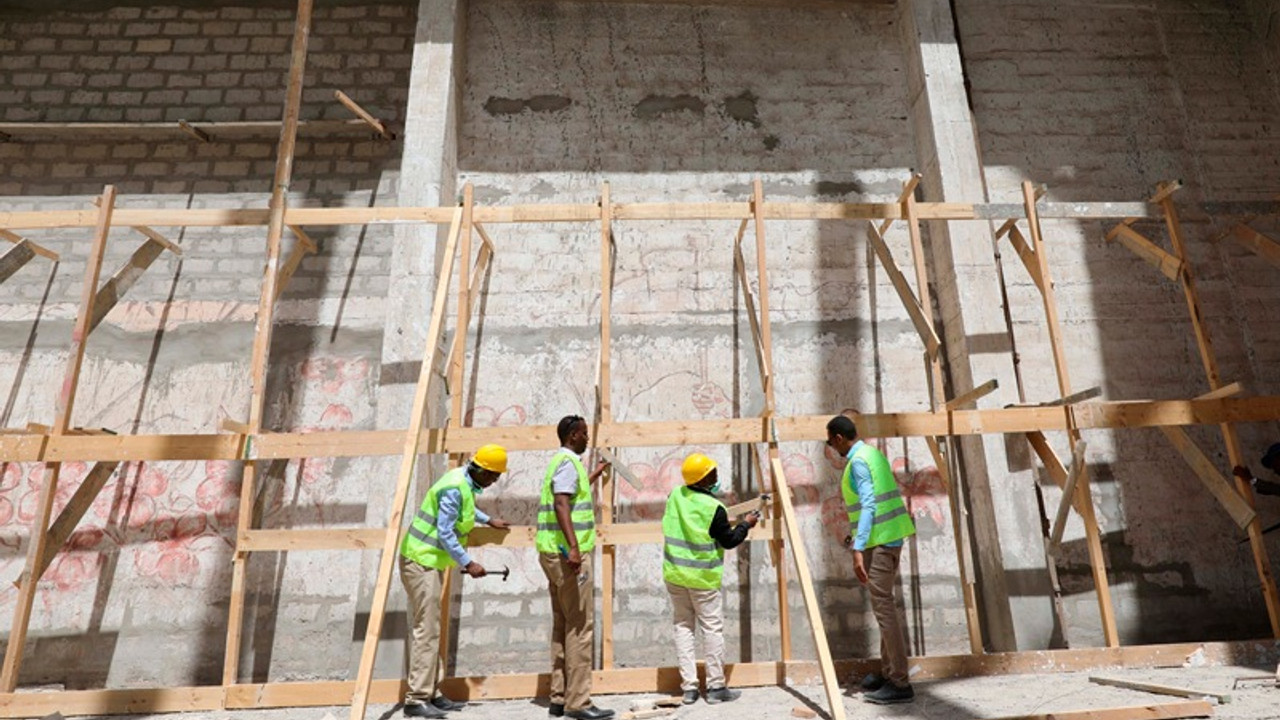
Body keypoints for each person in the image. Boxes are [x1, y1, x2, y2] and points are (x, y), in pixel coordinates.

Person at [399, 444, 511, 718]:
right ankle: (416, 699)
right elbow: (446, 531)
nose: (495, 481)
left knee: (431, 628)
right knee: (426, 630)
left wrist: (488, 520)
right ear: (481, 470)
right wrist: (468, 563)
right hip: (420, 561)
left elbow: (466, 507)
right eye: (493, 476)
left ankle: (431, 692)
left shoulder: (464, 482)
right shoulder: (454, 486)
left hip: (428, 562)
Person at [826, 415, 916, 705]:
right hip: (888, 538)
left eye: (830, 441)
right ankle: (889, 672)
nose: (831, 446)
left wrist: (857, 550)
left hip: (880, 543)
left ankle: (900, 682)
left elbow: (868, 505)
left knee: (884, 611)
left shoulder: (859, 462)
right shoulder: (871, 453)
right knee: (884, 607)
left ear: (839, 438)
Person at [662, 453, 758, 705]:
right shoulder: (714, 508)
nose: (716, 477)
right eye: (712, 474)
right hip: (702, 579)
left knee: (683, 628)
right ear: (702, 479)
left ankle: (690, 689)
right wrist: (746, 524)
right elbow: (729, 540)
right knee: (711, 628)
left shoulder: (675, 496)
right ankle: (716, 687)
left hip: (675, 575)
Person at [537, 416, 612, 720]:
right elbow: (561, 504)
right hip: (567, 557)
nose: (587, 438)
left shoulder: (562, 462)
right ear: (572, 435)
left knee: (562, 624)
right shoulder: (568, 463)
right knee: (580, 627)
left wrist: (593, 475)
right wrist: (574, 548)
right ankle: (578, 703)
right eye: (584, 434)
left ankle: (559, 697)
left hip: (550, 553)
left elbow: (570, 493)